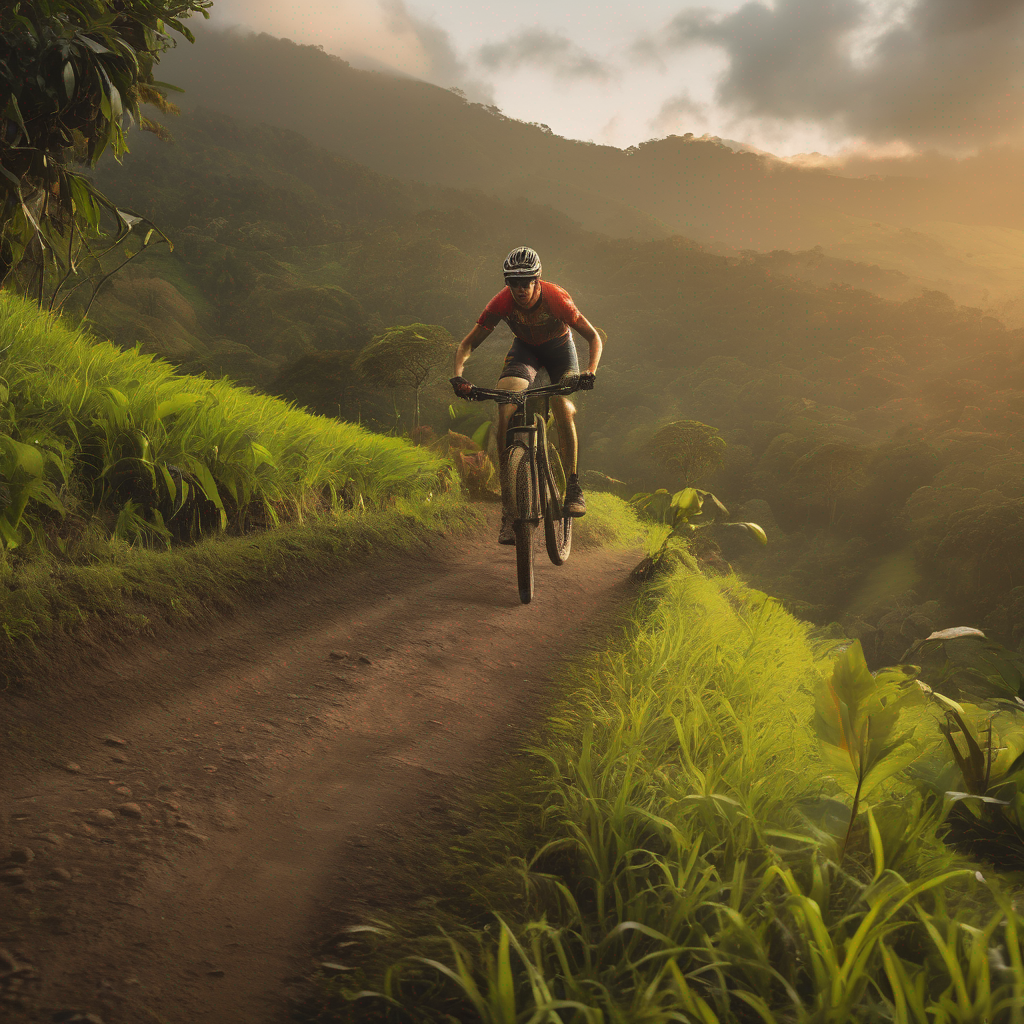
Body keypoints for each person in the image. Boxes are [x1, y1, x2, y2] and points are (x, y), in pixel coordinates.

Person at [450, 246, 603, 545]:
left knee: (560, 403)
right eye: (514, 282)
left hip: (560, 350)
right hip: (525, 351)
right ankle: (509, 511)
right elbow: (468, 344)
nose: (520, 289)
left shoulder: (556, 298)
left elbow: (592, 336)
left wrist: (590, 371)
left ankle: (573, 485)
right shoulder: (501, 302)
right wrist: (458, 375)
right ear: (508, 283)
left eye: (527, 282)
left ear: (537, 279)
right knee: (505, 405)